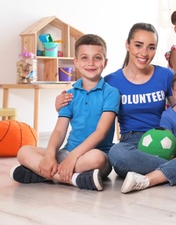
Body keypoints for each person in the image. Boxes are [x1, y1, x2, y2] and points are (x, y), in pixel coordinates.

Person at [57, 23, 176, 193]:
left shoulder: (165, 76)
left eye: (151, 47)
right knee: (116, 153)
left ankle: (159, 175)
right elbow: (88, 100)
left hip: (167, 141)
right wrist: (62, 102)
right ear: (127, 45)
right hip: (132, 145)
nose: (144, 53)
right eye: (138, 45)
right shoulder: (111, 81)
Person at [10, 34, 120, 191]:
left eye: (97, 58)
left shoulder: (111, 93)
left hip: (93, 157)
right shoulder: (69, 94)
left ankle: (43, 173)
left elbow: (101, 132)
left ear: (105, 62)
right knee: (23, 151)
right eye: (84, 58)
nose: (90, 63)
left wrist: (73, 157)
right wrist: (49, 156)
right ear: (76, 62)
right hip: (66, 153)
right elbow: (60, 130)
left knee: (97, 159)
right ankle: (74, 179)